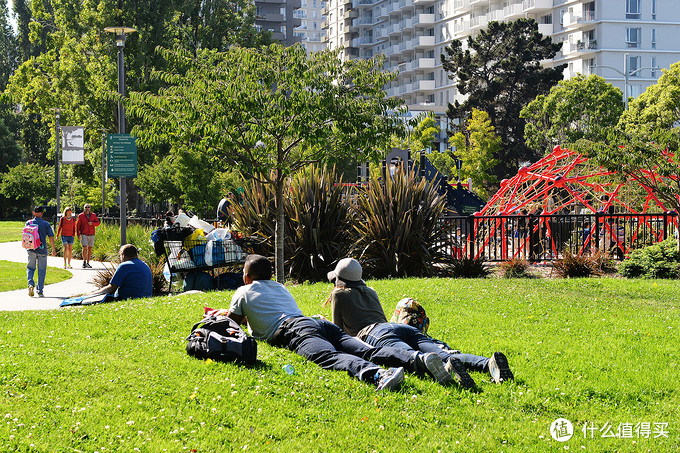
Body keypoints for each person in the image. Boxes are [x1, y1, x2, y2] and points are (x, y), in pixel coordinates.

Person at [224, 254, 444, 392]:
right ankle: (418, 359)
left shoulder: (243, 291)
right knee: (367, 350)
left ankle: (378, 374)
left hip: (294, 331)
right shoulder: (279, 287)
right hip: (316, 324)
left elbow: (231, 324)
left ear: (247, 277)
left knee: (329, 357)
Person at [326, 258, 515, 387]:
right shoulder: (371, 291)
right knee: (440, 353)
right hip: (399, 327)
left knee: (408, 355)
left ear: (338, 279)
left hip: (374, 333)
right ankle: (487, 364)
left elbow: (339, 332)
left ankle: (446, 368)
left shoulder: (338, 294)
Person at [78, 244, 153, 302]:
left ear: (123, 255)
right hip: (145, 298)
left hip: (126, 299)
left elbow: (112, 288)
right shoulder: (144, 265)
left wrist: (90, 295)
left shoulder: (124, 266)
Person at [25, 206, 56, 297]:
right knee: (41, 270)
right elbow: (51, 236)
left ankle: (30, 284)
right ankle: (40, 290)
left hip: (31, 249)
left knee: (30, 268)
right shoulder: (46, 224)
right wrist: (53, 249)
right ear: (42, 213)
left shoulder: (28, 223)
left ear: (33, 213)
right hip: (42, 250)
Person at [76, 203, 100, 268]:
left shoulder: (93, 215)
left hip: (91, 234)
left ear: (90, 208)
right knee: (84, 247)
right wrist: (78, 234)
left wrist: (92, 223)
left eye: (88, 207)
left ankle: (88, 262)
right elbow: (78, 226)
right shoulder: (81, 216)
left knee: (90, 248)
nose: (87, 208)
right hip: (84, 233)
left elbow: (98, 223)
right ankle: (84, 262)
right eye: (86, 207)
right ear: (84, 208)